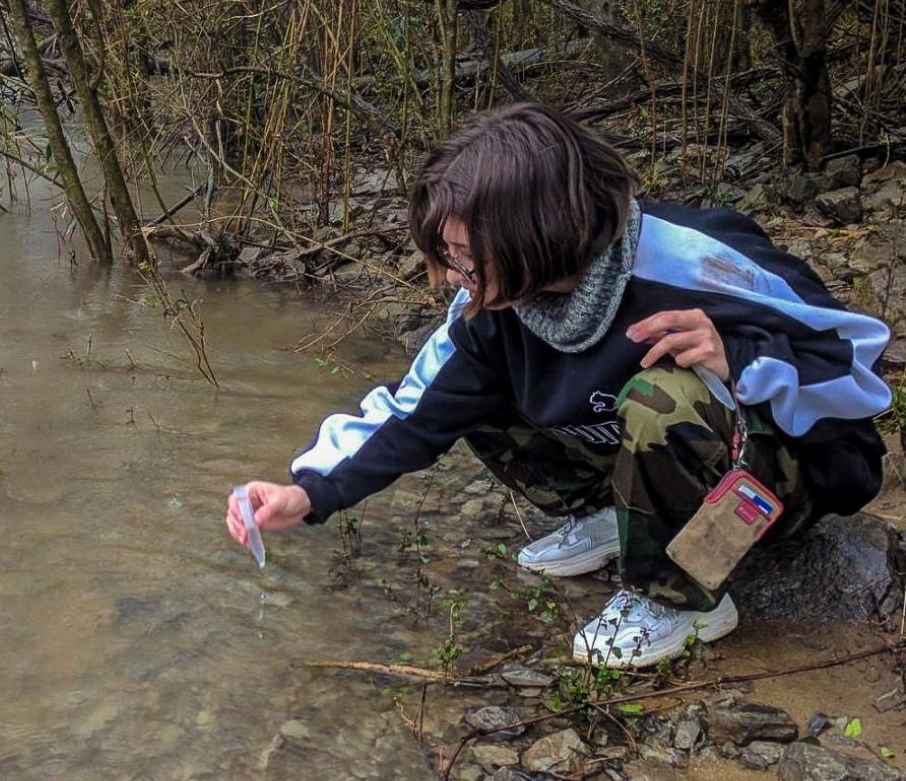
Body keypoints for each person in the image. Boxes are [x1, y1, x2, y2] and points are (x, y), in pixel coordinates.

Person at [226, 102, 891, 668]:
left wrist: (739, 356)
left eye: (467, 254)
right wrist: (308, 492)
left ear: (542, 230)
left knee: (664, 396)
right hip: (668, 464)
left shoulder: (698, 260)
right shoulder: (493, 311)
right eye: (447, 254)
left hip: (785, 483)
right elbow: (413, 414)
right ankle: (625, 518)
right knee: (468, 399)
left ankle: (681, 599)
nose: (455, 273)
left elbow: (857, 371)